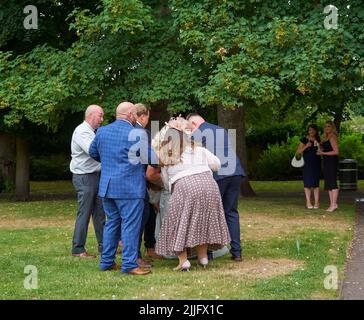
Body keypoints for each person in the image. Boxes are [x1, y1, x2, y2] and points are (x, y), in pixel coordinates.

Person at [89, 101, 156, 275]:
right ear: (130, 115)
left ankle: (107, 262)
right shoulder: (137, 133)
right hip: (130, 187)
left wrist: (109, 162)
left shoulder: (102, 131)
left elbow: (92, 152)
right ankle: (129, 264)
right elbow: (151, 158)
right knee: (130, 225)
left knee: (112, 224)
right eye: (134, 114)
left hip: (108, 186)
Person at [154, 125, 231, 271]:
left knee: (178, 222)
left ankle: (183, 261)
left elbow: (166, 181)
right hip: (209, 186)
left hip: (184, 187)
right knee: (203, 221)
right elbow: (217, 165)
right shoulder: (200, 150)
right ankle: (203, 258)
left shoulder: (167, 156)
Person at [187, 113, 245, 262]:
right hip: (235, 172)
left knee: (209, 213)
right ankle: (237, 252)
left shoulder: (197, 135)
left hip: (218, 175)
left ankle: (208, 254)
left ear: (193, 124)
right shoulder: (220, 129)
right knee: (231, 212)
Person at [70, 105, 106, 258]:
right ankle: (78, 249)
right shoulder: (82, 131)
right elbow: (93, 151)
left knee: (100, 213)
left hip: (95, 176)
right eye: (100, 116)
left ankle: (105, 246)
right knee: (84, 213)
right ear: (91, 115)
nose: (102, 120)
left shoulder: (91, 131)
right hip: (84, 177)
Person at [134, 103, 163, 264]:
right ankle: (137, 254)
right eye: (147, 117)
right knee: (142, 216)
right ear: (143, 116)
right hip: (140, 179)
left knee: (147, 214)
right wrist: (161, 163)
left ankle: (147, 247)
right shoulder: (141, 132)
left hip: (138, 179)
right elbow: (149, 158)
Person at [296, 124, 321, 209]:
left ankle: (317, 203)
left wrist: (319, 148)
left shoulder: (318, 139)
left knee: (316, 183)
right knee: (307, 183)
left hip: (316, 163)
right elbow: (298, 152)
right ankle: (308, 202)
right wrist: (306, 146)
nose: (312, 131)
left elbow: (321, 151)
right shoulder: (304, 139)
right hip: (307, 164)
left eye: (313, 130)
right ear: (308, 131)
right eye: (310, 130)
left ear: (316, 131)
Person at [317, 121, 340, 212]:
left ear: (332, 128)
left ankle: (334, 204)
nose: (327, 128)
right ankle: (332, 204)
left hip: (332, 162)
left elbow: (336, 152)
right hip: (327, 162)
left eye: (329, 126)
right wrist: (320, 146)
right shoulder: (326, 138)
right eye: (325, 126)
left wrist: (323, 153)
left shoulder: (332, 137)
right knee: (329, 183)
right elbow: (323, 148)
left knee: (333, 182)